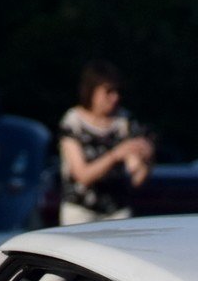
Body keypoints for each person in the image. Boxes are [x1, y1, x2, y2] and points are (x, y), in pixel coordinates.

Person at [58, 61, 154, 224]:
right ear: (91, 91)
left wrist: (146, 157)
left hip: (117, 211)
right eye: (108, 91)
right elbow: (82, 175)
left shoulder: (124, 121)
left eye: (117, 91)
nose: (115, 97)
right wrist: (115, 155)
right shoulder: (73, 122)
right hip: (81, 211)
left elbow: (136, 177)